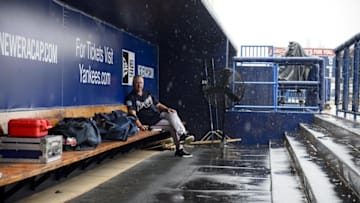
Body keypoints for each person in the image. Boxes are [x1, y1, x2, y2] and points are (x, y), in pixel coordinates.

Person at [125, 75, 194, 157]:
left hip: (157, 115)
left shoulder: (147, 93)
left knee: (172, 113)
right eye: (137, 83)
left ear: (143, 84)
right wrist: (140, 125)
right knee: (172, 126)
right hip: (150, 122)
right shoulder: (131, 97)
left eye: (141, 83)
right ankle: (179, 148)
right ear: (133, 84)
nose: (139, 85)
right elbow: (132, 114)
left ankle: (182, 134)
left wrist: (167, 109)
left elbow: (157, 104)